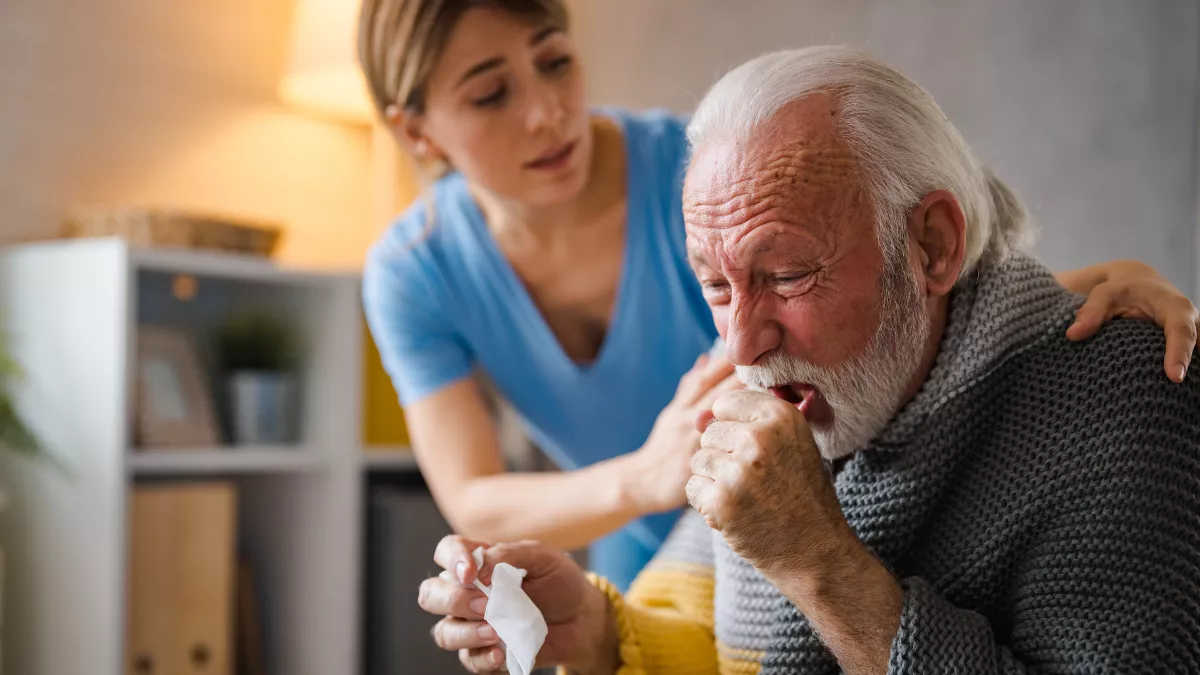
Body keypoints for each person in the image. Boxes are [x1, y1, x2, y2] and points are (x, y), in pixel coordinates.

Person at [359, 0, 1200, 591]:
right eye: (492, 92)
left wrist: (1097, 284)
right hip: (644, 566)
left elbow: (908, 293)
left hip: (815, 535)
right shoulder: (411, 271)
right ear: (416, 129)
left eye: (554, 61)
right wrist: (646, 479)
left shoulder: (697, 173)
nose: (547, 112)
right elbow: (472, 498)